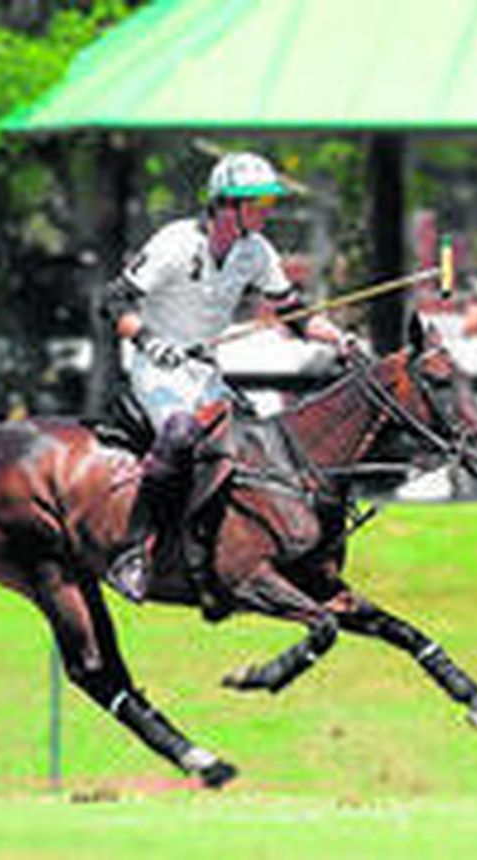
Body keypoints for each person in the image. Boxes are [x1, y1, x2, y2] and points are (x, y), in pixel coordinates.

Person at [102, 151, 357, 607]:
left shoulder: (256, 252)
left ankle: (227, 548)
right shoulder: (175, 243)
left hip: (204, 371)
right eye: (257, 203)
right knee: (181, 434)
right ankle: (134, 551)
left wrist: (339, 338)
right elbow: (115, 301)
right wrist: (147, 340)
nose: (266, 212)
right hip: (157, 368)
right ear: (227, 205)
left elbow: (294, 314)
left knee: (259, 443)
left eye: (267, 203)